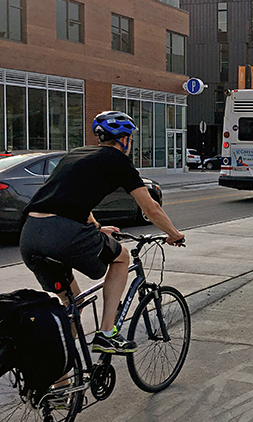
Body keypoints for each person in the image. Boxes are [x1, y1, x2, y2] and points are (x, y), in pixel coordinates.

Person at [20, 111, 185, 354]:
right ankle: (107, 333)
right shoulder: (117, 160)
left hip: (30, 234)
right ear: (125, 139)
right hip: (63, 234)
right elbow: (150, 207)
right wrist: (174, 233)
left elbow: (68, 197)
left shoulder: (76, 154)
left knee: (74, 303)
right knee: (121, 257)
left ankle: (59, 381)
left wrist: (96, 228)